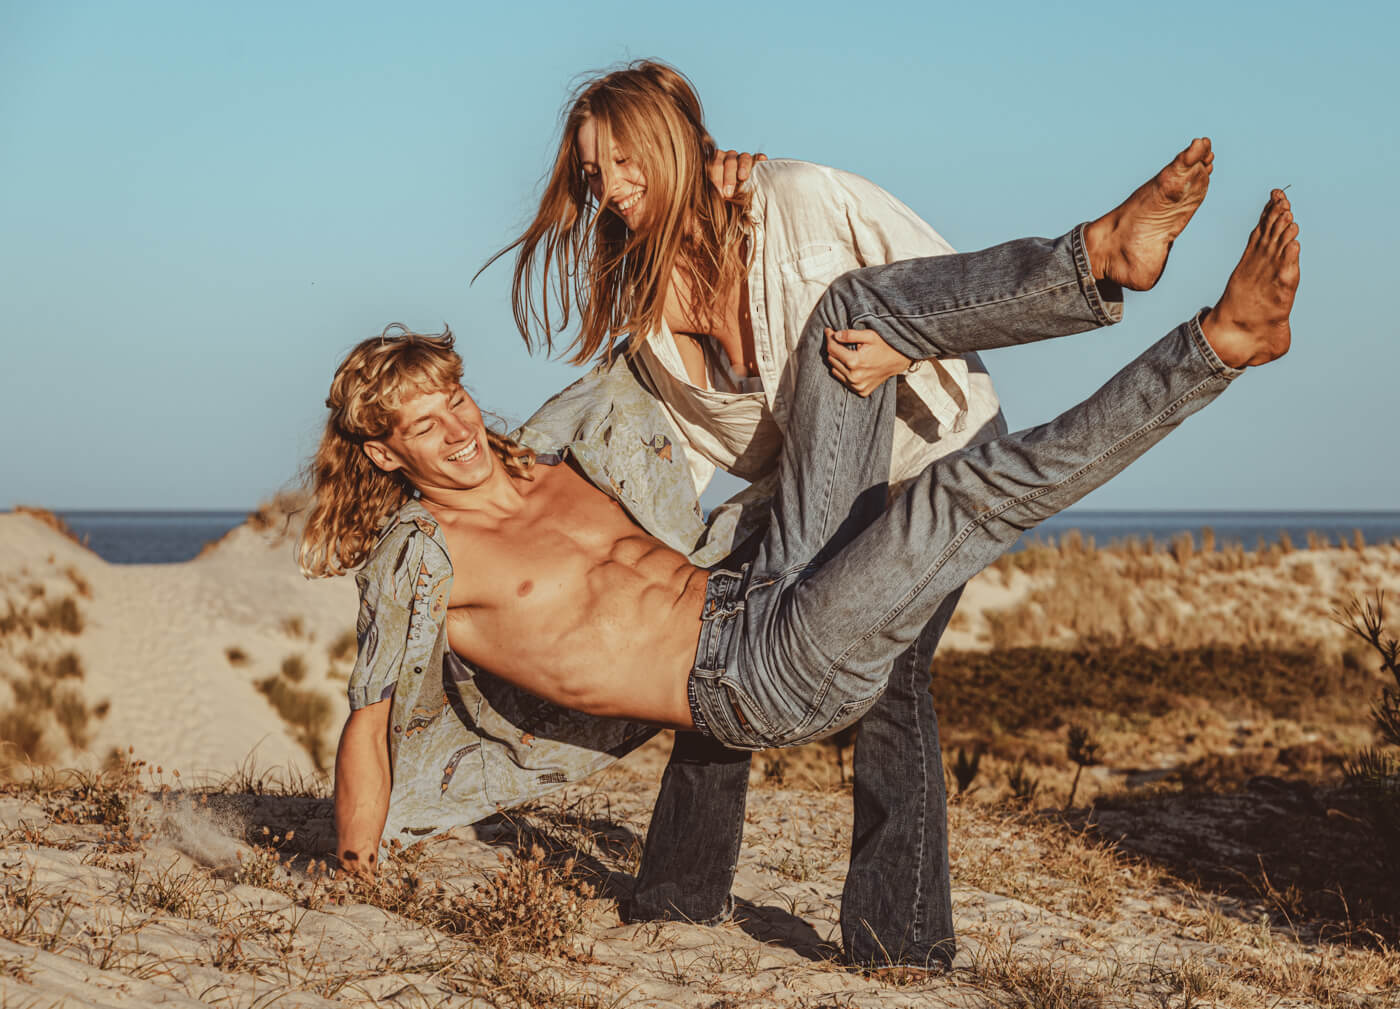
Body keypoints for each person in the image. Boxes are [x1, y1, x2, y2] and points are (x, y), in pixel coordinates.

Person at [309, 183, 1300, 959]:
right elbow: (370, 713)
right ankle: (1217, 346)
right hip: (752, 676)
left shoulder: (547, 445)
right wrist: (354, 873)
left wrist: (721, 188)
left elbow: (653, 317)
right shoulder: (422, 558)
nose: (457, 428)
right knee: (957, 496)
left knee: (849, 315)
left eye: (455, 397)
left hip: (761, 581)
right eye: (423, 425)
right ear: (385, 453)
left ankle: (1091, 263)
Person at [493, 59, 1011, 968]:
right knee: (717, 647)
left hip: (934, 446)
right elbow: (681, 452)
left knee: (889, 666)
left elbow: (953, 278)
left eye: (623, 161)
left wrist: (897, 346)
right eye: (592, 172)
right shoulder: (646, 303)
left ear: (670, 141)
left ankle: (903, 938)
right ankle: (678, 894)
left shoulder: (801, 200)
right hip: (813, 491)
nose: (609, 190)